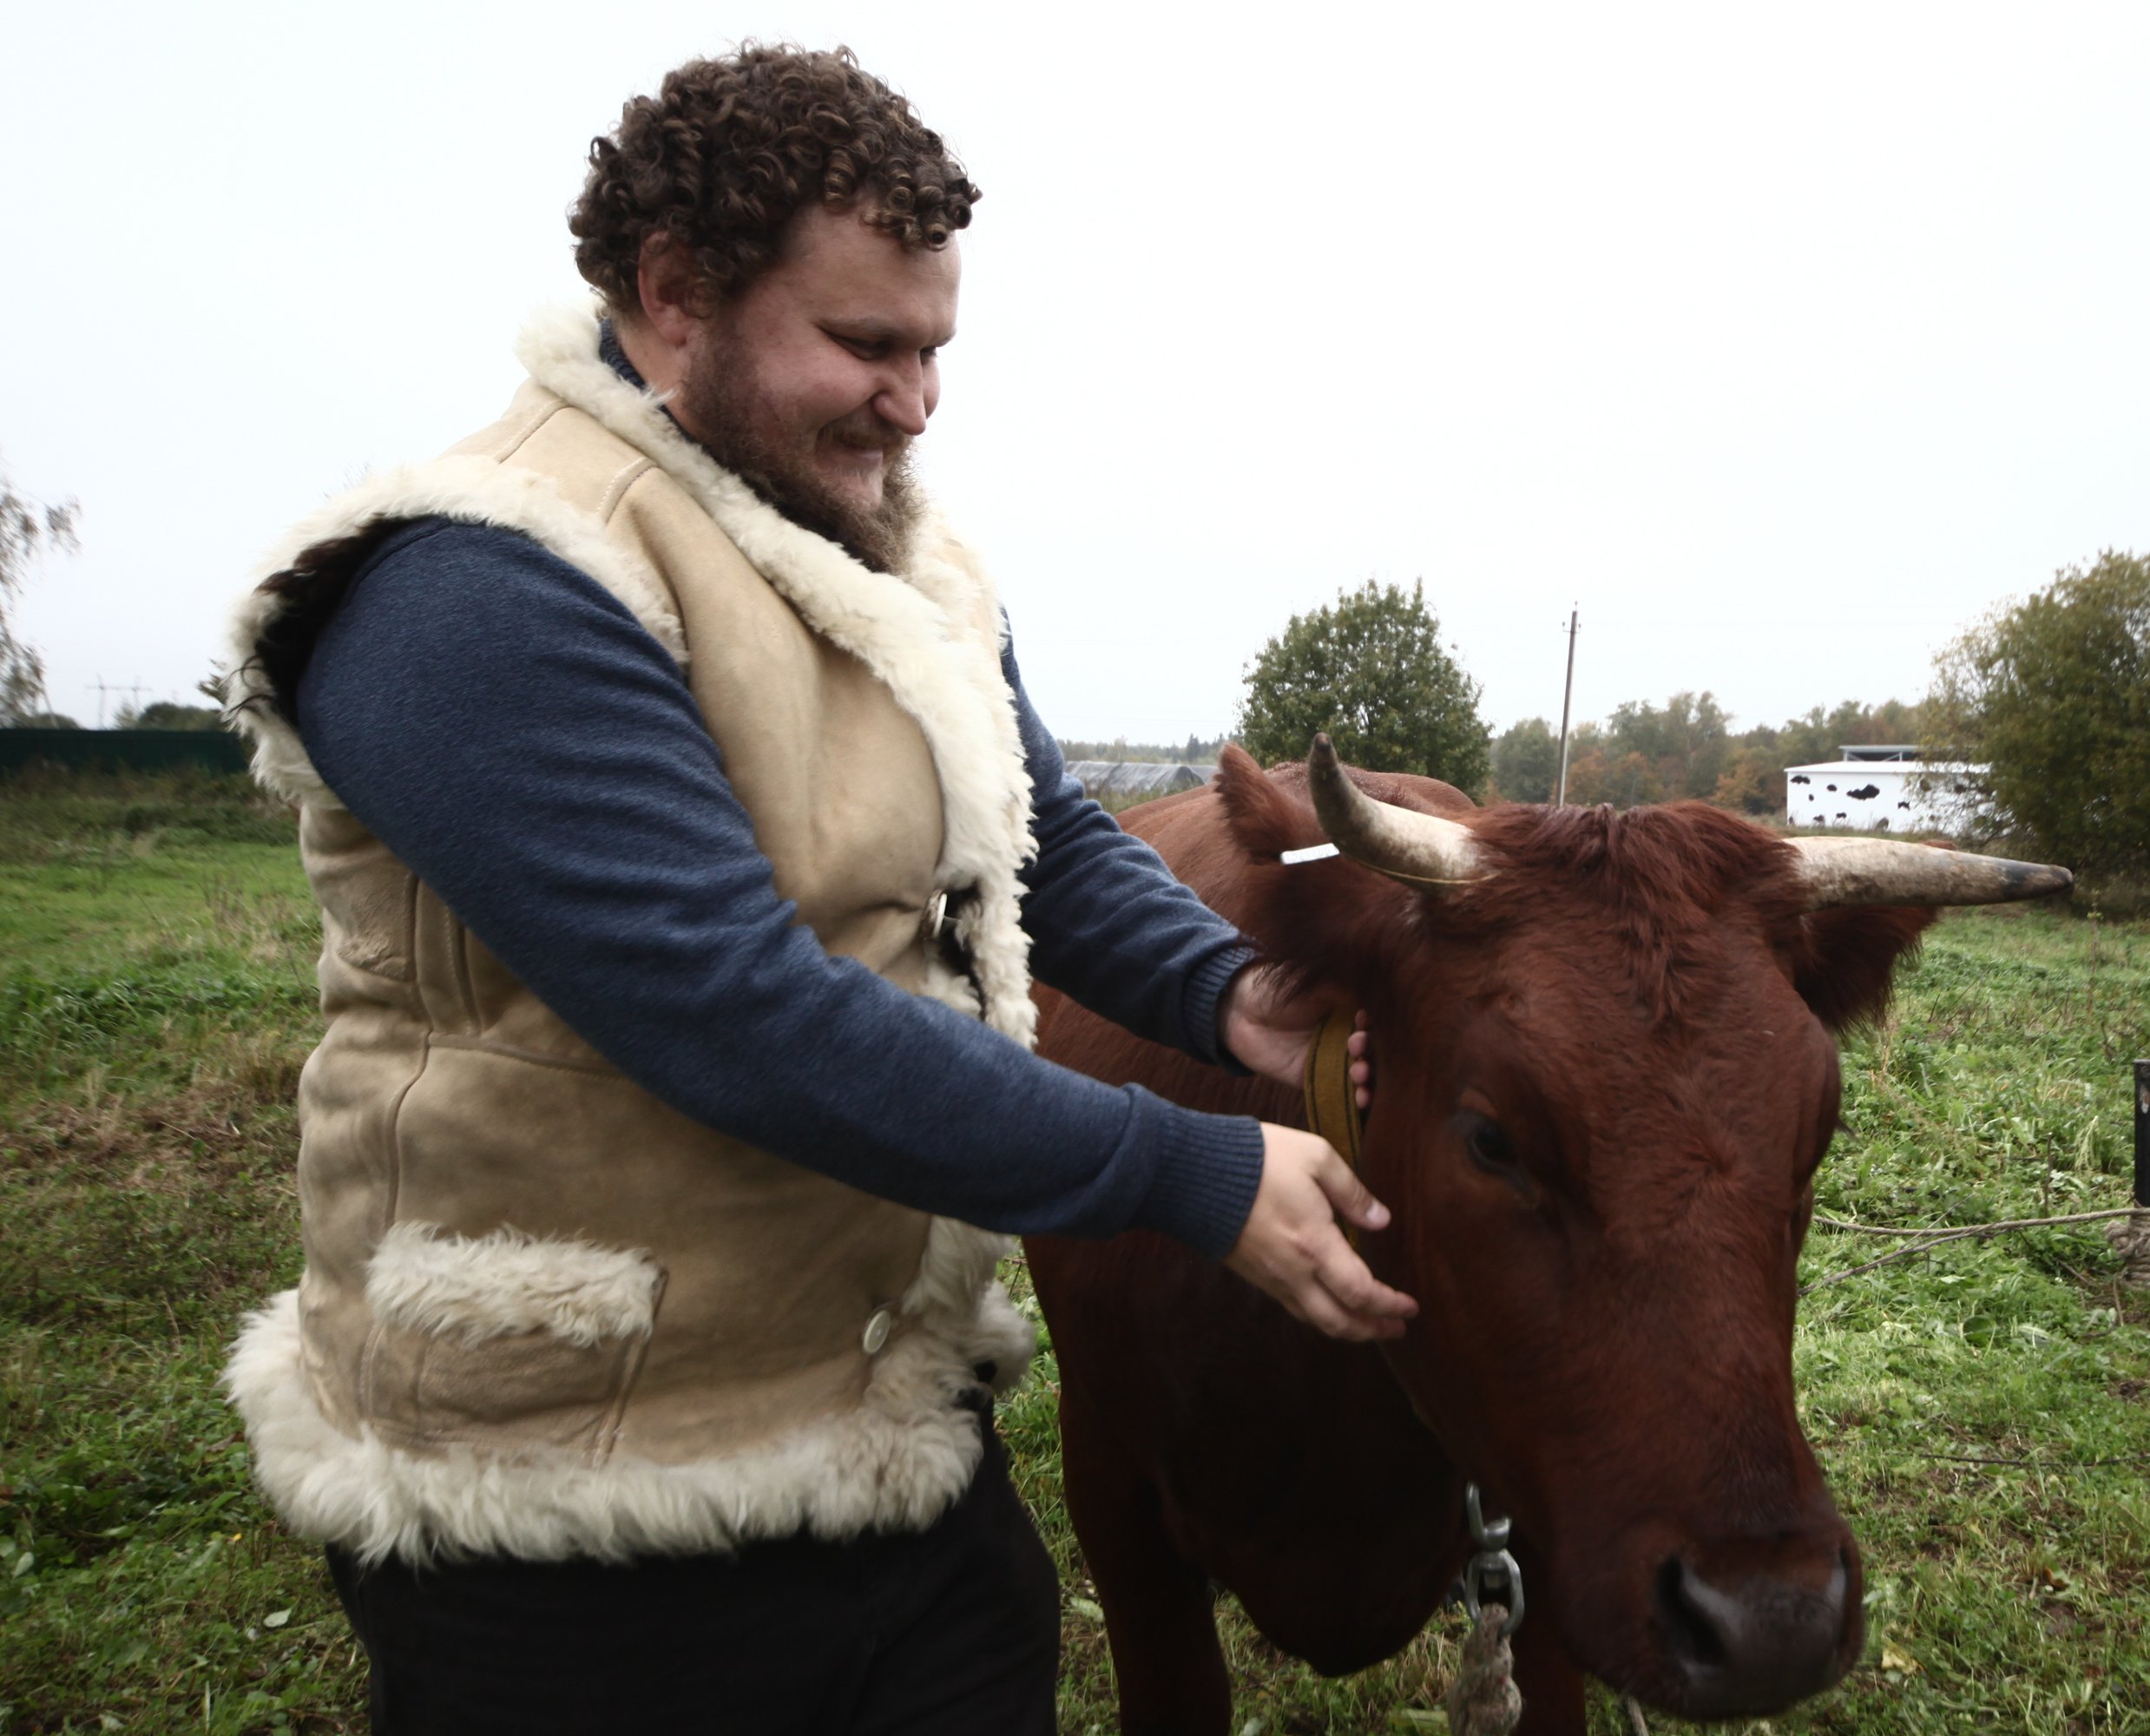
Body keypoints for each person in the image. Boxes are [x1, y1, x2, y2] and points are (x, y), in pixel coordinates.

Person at [220, 43, 1411, 1734]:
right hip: (563, 1486)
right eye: (865, 344)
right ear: (673, 295)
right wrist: (1187, 1167)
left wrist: (1232, 995)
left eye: (934, 349)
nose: (916, 400)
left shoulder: (894, 564)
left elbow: (1047, 838)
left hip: (885, 1421)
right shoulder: (477, 584)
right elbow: (734, 1012)